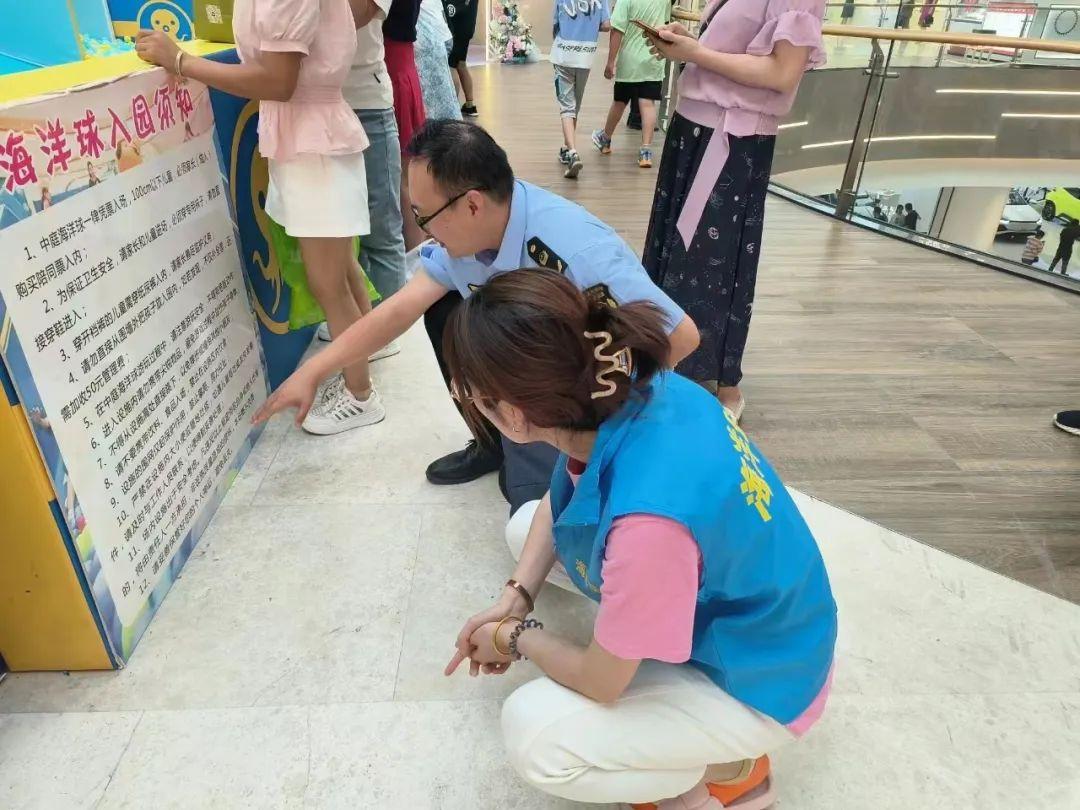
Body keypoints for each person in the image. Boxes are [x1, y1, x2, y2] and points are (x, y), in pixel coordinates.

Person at [442, 269, 838, 809]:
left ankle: (715, 777)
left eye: (472, 397)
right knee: (526, 527)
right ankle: (687, 741)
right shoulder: (629, 389)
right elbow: (562, 499)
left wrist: (515, 637)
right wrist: (517, 595)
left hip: (761, 680)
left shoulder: (648, 525)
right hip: (777, 619)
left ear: (512, 415)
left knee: (535, 737)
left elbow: (600, 682)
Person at [254, 120, 699, 517]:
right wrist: (315, 370)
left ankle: (547, 456)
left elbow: (681, 336)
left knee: (535, 521)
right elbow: (400, 309)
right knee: (444, 312)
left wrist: (594, 425)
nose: (424, 230)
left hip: (572, 403)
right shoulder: (471, 238)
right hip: (528, 392)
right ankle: (493, 441)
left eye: (424, 217)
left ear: (471, 204)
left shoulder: (579, 252)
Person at [137, 0, 385, 436]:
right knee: (340, 272)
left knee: (329, 283)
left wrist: (181, 61)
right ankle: (362, 360)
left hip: (313, 143)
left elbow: (277, 80)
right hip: (310, 137)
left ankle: (360, 395)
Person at [640, 0, 826, 420]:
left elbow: (782, 73)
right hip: (695, 130)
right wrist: (693, 45)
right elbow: (740, 51)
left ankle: (719, 379)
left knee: (712, 265)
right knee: (674, 254)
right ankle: (663, 361)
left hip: (731, 140)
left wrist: (696, 53)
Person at [343, 0, 410, 306]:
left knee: (380, 232)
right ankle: (359, 320)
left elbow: (356, 15)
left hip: (365, 103)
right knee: (337, 238)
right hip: (309, 108)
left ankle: (391, 325)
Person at [592, 0, 671, 169]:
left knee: (620, 102)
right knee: (648, 104)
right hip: (653, 58)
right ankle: (645, 152)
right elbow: (664, 25)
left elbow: (617, 30)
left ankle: (605, 139)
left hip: (630, 61)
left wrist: (610, 62)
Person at [384, 0, 429, 250]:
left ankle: (414, 251)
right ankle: (418, 250)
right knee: (406, 176)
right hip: (401, 65)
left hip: (392, 66)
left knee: (402, 179)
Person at [550, 0, 612, 179]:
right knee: (574, 106)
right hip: (585, 56)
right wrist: (590, 24)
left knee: (567, 107)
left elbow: (555, 24)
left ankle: (572, 152)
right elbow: (607, 25)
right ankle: (567, 148)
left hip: (563, 55)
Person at [415, 0, 464, 120]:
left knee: (432, 92)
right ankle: (452, 113)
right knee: (447, 77)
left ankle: (444, 119)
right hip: (443, 34)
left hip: (433, 40)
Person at [443, 0, 479, 116]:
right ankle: (470, 105)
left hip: (456, 31)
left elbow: (451, 9)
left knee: (451, 66)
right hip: (467, 29)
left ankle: (453, 107)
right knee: (461, 64)